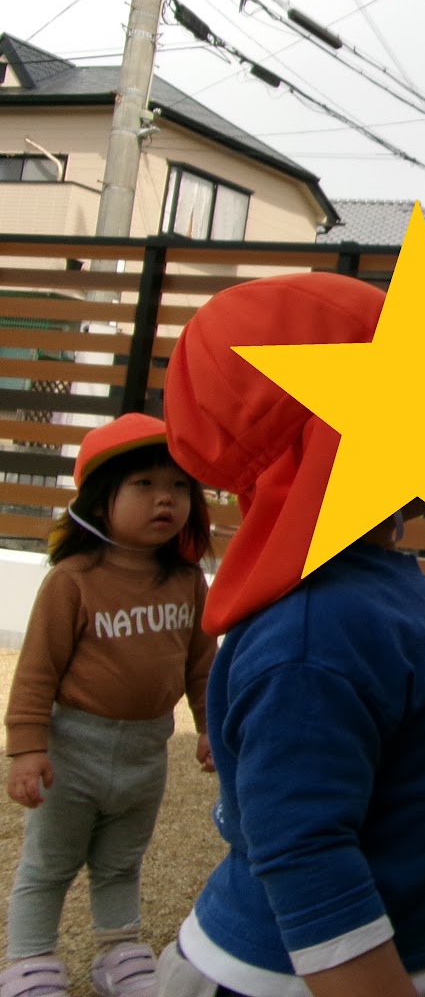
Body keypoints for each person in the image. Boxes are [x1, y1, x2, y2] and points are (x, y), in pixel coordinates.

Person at [151, 272, 425, 997]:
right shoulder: (315, 634)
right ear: (315, 445)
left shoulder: (371, 587)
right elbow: (302, 848)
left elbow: (391, 748)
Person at [3, 413, 215, 997]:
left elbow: (203, 666)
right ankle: (28, 960)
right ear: (100, 501)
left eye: (178, 486)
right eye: (144, 484)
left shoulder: (187, 582)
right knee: (49, 864)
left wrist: (211, 727)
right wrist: (27, 750)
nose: (165, 499)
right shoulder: (72, 580)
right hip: (73, 751)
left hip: (148, 752)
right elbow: (37, 672)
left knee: (122, 861)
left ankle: (119, 951)